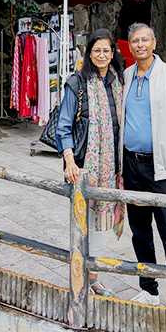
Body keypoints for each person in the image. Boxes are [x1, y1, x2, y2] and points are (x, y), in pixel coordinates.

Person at [122, 23, 166, 309]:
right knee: (140, 231)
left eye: (145, 40)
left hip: (161, 168)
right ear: (129, 46)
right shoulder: (127, 75)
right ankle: (149, 289)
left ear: (154, 42)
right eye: (135, 41)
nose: (140, 45)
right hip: (132, 165)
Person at [55, 28, 125, 298]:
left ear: (113, 52)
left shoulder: (118, 80)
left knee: (99, 224)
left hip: (111, 167)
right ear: (89, 53)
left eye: (106, 50)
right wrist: (69, 162)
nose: (102, 55)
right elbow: (63, 126)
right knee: (82, 221)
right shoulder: (77, 83)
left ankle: (92, 277)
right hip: (83, 167)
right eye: (97, 50)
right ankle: (80, 277)